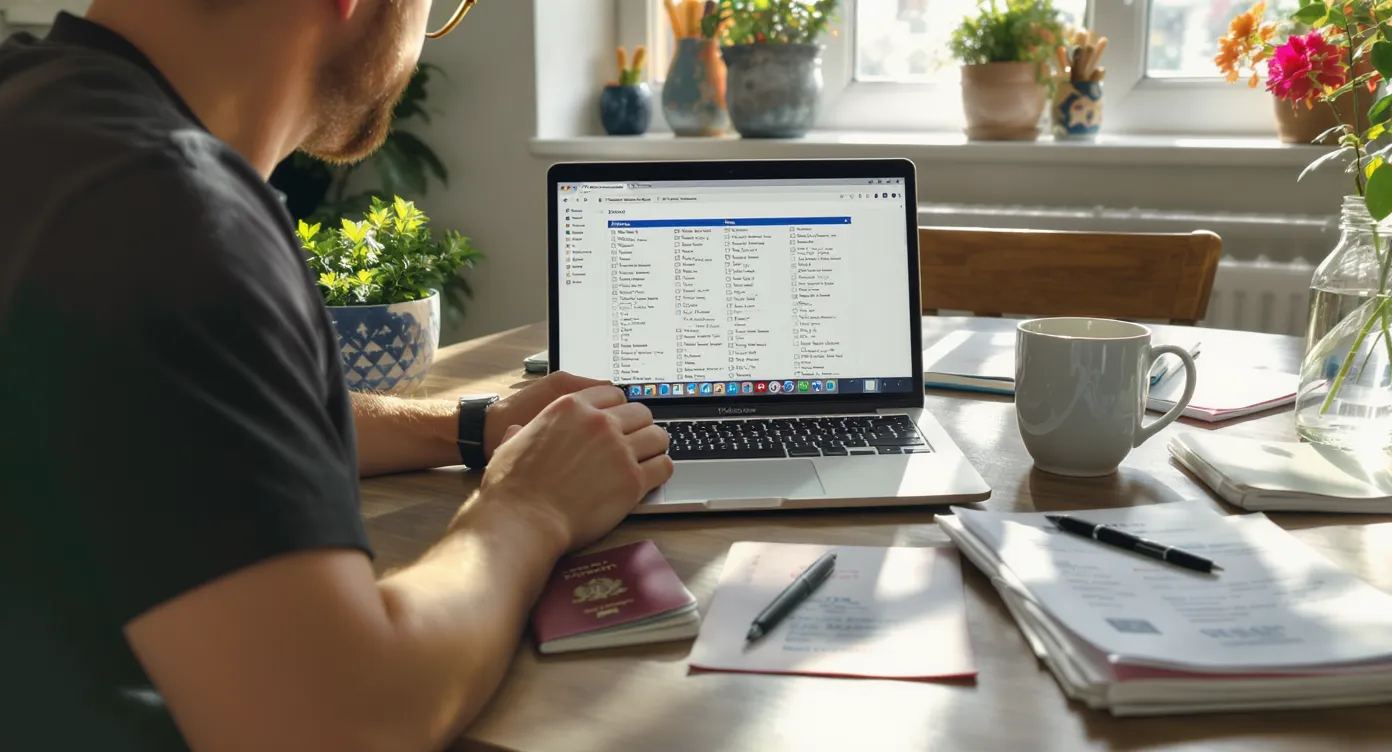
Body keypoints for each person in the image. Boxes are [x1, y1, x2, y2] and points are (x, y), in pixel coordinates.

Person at [0, 1, 674, 750]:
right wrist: (528, 508)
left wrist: (468, 425)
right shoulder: (171, 214)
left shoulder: (38, 116)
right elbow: (344, 722)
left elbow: (183, 414)